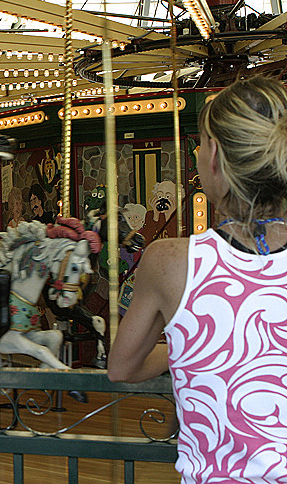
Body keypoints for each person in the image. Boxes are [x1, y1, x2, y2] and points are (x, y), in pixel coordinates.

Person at [107, 76, 287, 482]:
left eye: (202, 141)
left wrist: (197, 347)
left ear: (215, 155)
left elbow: (122, 366)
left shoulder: (170, 260)